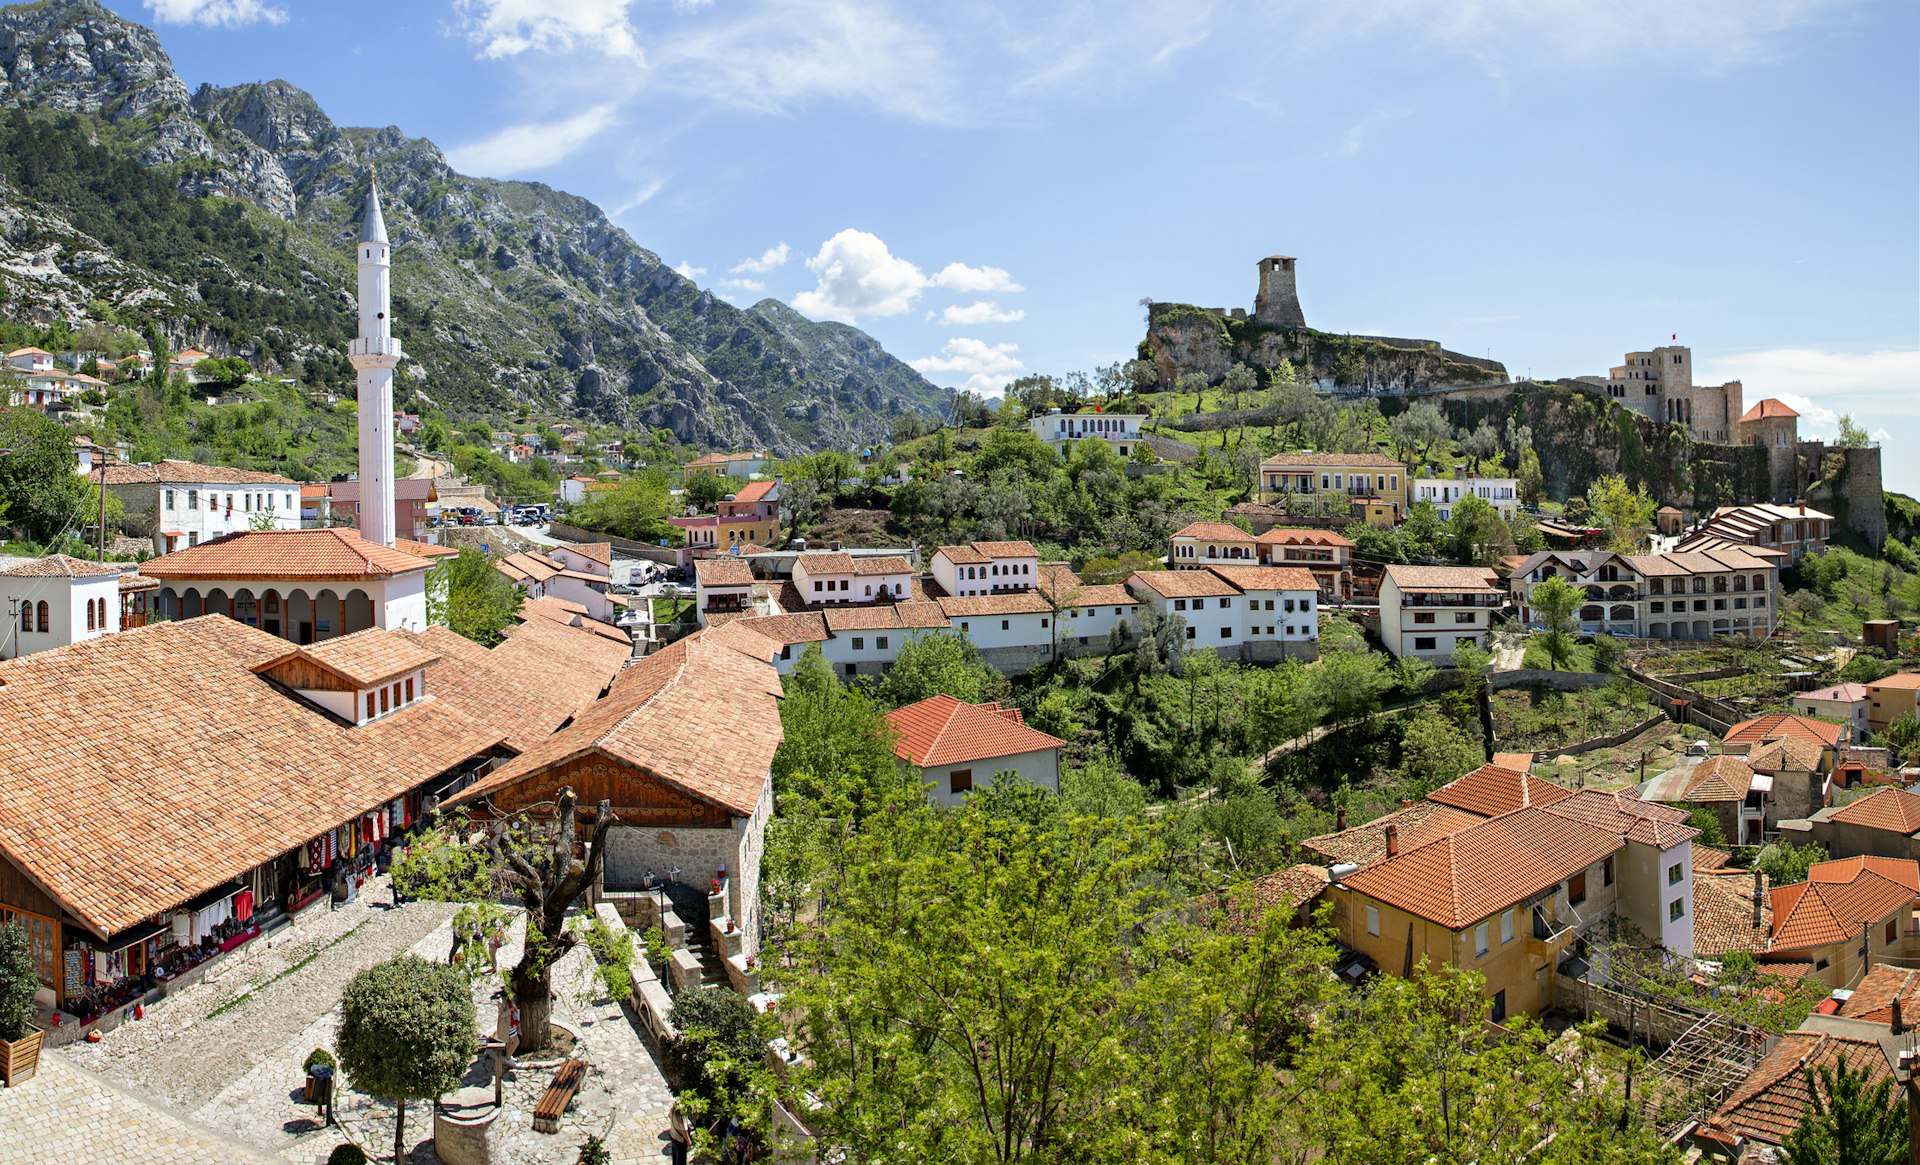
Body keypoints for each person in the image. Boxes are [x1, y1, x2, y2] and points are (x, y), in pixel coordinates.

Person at [496, 995, 521, 1069]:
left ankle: (509, 1056)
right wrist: (511, 1010)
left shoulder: (511, 998)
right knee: (516, 1041)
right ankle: (508, 1058)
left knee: (510, 1042)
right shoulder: (501, 1001)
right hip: (507, 1025)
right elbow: (502, 1014)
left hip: (512, 1023)